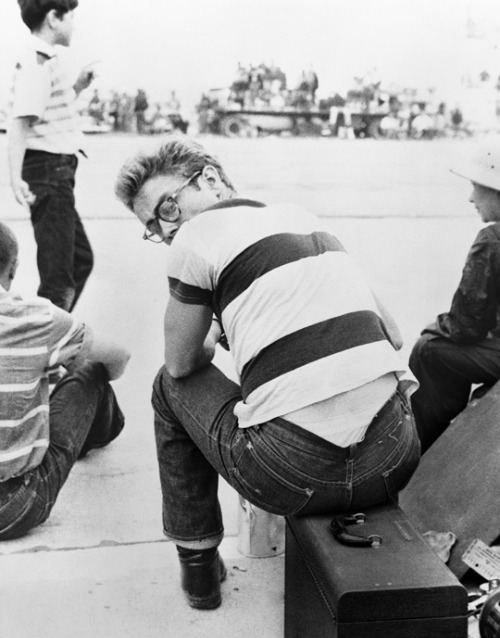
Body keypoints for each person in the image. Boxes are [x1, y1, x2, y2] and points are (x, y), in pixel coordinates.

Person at [114, 138, 420, 610]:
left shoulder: (197, 240)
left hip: (291, 477)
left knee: (165, 387)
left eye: (169, 207)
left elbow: (179, 364)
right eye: (154, 226)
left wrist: (216, 328)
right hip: (393, 459)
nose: (168, 230)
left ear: (211, 179)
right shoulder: (305, 218)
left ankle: (197, 567)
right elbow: (394, 336)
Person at [0, 221, 130, 540]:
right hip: (15, 505)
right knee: (90, 370)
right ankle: (99, 433)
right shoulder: (37, 317)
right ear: (12, 270)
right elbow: (119, 355)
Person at [410, 137, 500, 452]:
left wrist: (436, 327)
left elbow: (465, 325)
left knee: (429, 349)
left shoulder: (491, 239)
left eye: (477, 186)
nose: (471, 197)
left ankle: (420, 443)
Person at [8, 0, 97, 312]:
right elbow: (20, 122)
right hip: (48, 171)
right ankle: (45, 349)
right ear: (53, 18)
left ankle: (49, 335)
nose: (73, 25)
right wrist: (15, 177)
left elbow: (43, 111)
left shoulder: (44, 61)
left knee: (78, 260)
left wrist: (78, 87)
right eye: (70, 17)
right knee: (59, 277)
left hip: (55, 170)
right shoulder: (38, 63)